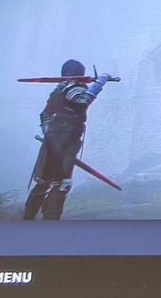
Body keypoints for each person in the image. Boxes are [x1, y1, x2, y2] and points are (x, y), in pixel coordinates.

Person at [22, 60, 119, 220]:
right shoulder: (74, 89)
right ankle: (50, 222)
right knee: (61, 183)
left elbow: (45, 115)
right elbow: (81, 103)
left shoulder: (58, 91)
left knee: (44, 181)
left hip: (53, 139)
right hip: (68, 139)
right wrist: (100, 82)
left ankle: (28, 219)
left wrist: (49, 136)